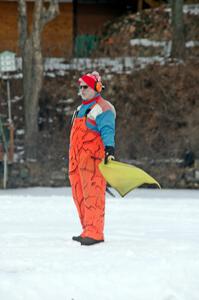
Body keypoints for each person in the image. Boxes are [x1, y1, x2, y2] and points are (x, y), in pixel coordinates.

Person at [69, 71, 116, 246]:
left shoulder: (102, 108)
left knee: (93, 195)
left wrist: (109, 149)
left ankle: (95, 232)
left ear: (96, 88)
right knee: (79, 196)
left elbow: (107, 131)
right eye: (80, 87)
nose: (82, 90)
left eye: (86, 87)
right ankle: (87, 229)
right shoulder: (79, 110)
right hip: (76, 162)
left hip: (93, 160)